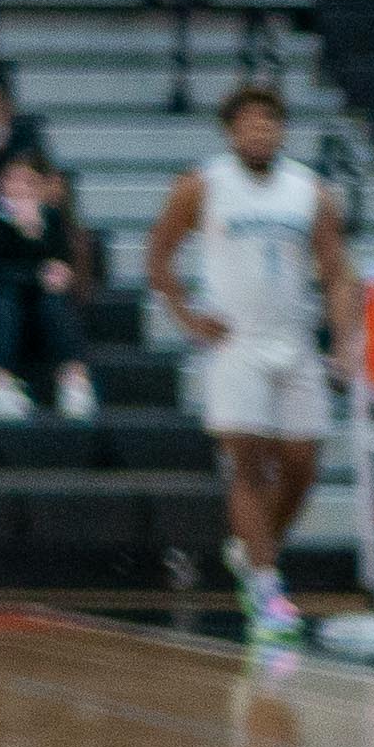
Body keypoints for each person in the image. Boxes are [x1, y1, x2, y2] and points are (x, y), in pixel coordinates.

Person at [147, 77, 356, 643]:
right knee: (249, 464)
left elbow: (337, 271)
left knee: (303, 464)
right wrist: (188, 316)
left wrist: (345, 338)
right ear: (232, 130)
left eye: (271, 121)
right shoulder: (203, 184)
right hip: (237, 341)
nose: (262, 130)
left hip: (295, 339)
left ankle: (253, 551)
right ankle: (266, 590)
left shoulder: (308, 190)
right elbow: (158, 256)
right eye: (251, 121)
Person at [0, 148, 99, 418]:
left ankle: (74, 381)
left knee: (53, 302)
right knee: (4, 300)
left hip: (43, 310)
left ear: (40, 188)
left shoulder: (51, 219)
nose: (19, 188)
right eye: (12, 180)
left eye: (28, 182)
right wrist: (32, 269)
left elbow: (62, 266)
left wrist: (38, 240)